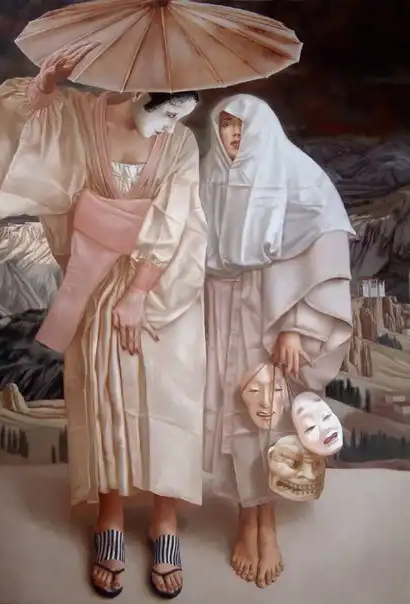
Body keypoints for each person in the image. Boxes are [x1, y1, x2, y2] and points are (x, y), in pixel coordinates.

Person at [0, 41, 207, 599]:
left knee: (168, 396)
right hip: (96, 279)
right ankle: (110, 513)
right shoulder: (83, 114)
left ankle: (165, 518)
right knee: (104, 394)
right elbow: (28, 139)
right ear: (143, 92)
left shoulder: (180, 143)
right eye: (167, 111)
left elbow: (178, 220)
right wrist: (44, 90)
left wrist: (140, 292)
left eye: (182, 115)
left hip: (162, 284)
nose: (172, 125)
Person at [200, 94, 354, 588]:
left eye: (241, 127)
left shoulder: (292, 171)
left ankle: (265, 524)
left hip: (268, 312)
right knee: (231, 411)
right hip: (218, 307)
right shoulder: (209, 175)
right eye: (225, 126)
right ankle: (247, 520)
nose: (232, 136)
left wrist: (294, 325)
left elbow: (322, 239)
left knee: (264, 414)